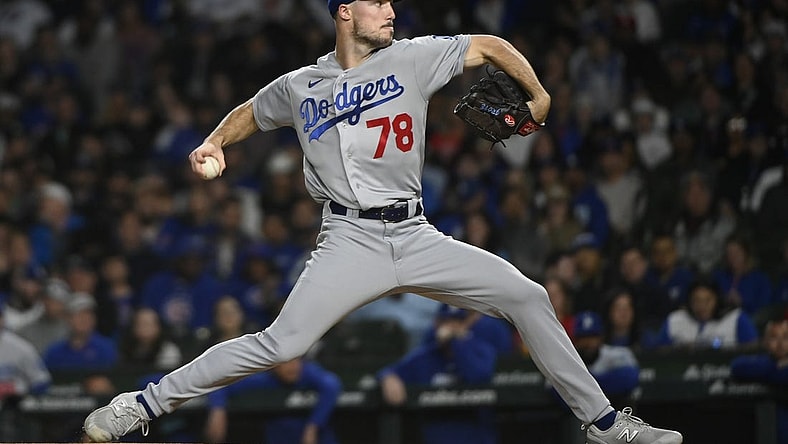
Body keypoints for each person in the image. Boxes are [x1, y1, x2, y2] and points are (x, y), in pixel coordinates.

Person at [83, 2, 682, 443]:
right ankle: (141, 404)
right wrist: (215, 141)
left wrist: (540, 94)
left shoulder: (412, 58)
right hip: (348, 240)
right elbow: (251, 112)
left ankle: (604, 424)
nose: (392, 11)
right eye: (378, 3)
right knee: (281, 343)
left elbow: (492, 45)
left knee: (527, 296)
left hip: (417, 234)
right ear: (345, 13)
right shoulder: (300, 86)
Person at [378, 306, 498, 444]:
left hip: (475, 435)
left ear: (465, 324)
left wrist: (456, 343)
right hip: (437, 434)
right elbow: (391, 371)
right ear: (436, 324)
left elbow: (478, 377)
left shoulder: (481, 350)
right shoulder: (426, 355)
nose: (450, 327)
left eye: (456, 321)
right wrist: (388, 377)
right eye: (445, 321)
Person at [204, 358, 342, 444]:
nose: (292, 367)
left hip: (317, 439)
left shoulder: (307, 373)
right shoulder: (264, 378)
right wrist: (218, 409)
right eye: (286, 362)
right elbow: (220, 385)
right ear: (273, 365)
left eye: (295, 360)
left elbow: (332, 384)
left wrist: (313, 427)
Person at [730, 320, 788, 443]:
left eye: (785, 337)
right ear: (765, 342)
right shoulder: (764, 362)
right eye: (774, 338)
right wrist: (775, 366)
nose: (780, 343)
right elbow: (737, 367)